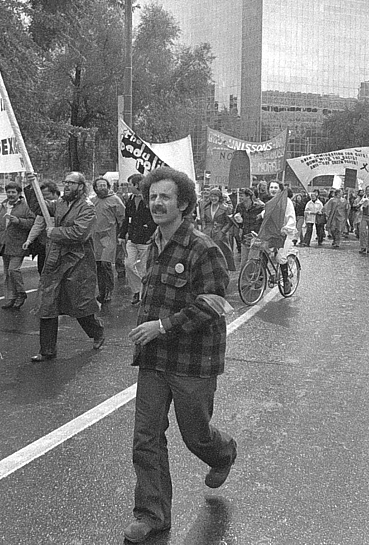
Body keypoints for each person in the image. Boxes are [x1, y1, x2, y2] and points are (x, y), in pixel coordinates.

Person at [124, 167, 236, 544]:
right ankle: (151, 515)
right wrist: (146, 326)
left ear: (183, 204)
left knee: (195, 435)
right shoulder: (153, 243)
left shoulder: (203, 247)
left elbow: (215, 303)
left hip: (193, 361)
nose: (156, 202)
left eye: (165, 197)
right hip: (155, 360)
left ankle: (221, 454)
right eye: (153, 196)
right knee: (146, 438)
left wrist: (163, 325)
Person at [23, 171, 104, 362]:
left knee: (78, 304)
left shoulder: (87, 207)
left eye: (71, 183)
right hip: (56, 260)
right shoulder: (59, 204)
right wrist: (30, 185)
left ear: (81, 187)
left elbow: (80, 233)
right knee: (47, 303)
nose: (66, 186)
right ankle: (47, 349)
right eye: (65, 182)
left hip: (77, 262)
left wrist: (54, 232)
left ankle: (97, 332)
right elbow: (38, 207)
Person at [0, 181, 34, 310]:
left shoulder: (25, 207)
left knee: (13, 270)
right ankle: (11, 297)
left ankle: (21, 293)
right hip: (5, 245)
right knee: (7, 274)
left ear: (19, 193)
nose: (11, 195)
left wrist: (19, 221)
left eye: (13, 192)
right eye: (9, 192)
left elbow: (33, 223)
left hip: (19, 244)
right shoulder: (2, 208)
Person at [119, 173, 156, 306]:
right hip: (132, 239)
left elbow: (155, 218)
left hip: (146, 240)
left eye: (130, 184)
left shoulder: (149, 199)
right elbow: (126, 218)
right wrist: (122, 235)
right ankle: (137, 290)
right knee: (128, 265)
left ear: (137, 185)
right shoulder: (129, 200)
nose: (129, 187)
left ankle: (142, 295)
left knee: (143, 269)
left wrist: (149, 232)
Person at [91, 177, 125, 303]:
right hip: (96, 237)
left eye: (104, 185)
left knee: (106, 263)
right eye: (99, 185)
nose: (102, 187)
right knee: (98, 264)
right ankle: (102, 291)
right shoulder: (92, 201)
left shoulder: (115, 200)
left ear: (108, 186)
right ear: (95, 188)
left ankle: (109, 291)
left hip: (109, 235)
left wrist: (121, 234)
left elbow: (122, 217)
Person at [198, 188, 236, 271]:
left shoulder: (225, 208)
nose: (213, 198)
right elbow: (204, 220)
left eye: (215, 196)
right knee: (207, 257)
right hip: (207, 235)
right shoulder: (206, 207)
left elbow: (229, 222)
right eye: (211, 196)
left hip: (220, 236)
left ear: (219, 197)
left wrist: (222, 232)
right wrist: (203, 231)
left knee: (221, 257)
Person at [233, 187, 265, 272]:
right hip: (245, 236)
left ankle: (254, 281)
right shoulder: (240, 206)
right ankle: (244, 283)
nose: (240, 197)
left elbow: (266, 217)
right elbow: (236, 219)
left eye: (242, 195)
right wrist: (238, 220)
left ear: (248, 196)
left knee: (252, 260)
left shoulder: (260, 207)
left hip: (255, 237)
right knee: (244, 262)